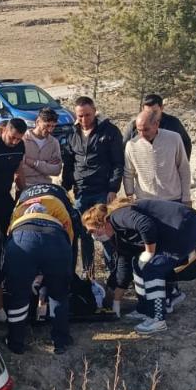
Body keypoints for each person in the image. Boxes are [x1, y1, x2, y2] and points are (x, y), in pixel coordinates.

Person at [82, 199, 196, 334]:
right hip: (177, 231)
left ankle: (157, 319)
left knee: (152, 267)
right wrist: (116, 301)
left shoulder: (117, 216)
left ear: (102, 222)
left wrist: (149, 252)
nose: (94, 236)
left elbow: (145, 225)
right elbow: (125, 267)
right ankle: (144, 309)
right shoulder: (119, 237)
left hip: (187, 226)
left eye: (93, 231)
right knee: (137, 262)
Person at [60, 96, 125, 273]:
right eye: (80, 116)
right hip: (81, 191)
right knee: (84, 233)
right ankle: (88, 273)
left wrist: (113, 189)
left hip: (103, 191)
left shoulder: (110, 131)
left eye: (87, 115)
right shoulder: (71, 133)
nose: (84, 119)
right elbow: (69, 163)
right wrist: (64, 188)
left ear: (95, 111)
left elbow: (118, 163)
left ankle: (114, 273)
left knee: (105, 233)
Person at [3, 203, 74, 354]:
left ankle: (16, 343)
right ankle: (61, 341)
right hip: (56, 239)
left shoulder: (18, 219)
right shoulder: (56, 220)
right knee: (59, 294)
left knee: (18, 295)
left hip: (23, 237)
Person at [124, 111, 192, 204]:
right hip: (144, 200)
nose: (142, 134)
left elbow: (184, 169)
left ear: (156, 124)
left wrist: (186, 198)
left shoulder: (174, 138)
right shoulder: (131, 145)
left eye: (146, 129)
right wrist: (129, 197)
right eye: (139, 130)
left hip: (173, 199)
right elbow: (128, 173)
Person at [123, 94, 192, 159]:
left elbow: (186, 144)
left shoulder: (173, 123)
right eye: (148, 112)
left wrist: (180, 165)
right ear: (142, 109)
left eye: (154, 112)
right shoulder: (134, 126)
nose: (151, 116)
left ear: (161, 108)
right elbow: (123, 148)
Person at [20, 107, 64, 189]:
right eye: (47, 125)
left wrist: (33, 163)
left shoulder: (54, 142)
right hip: (25, 186)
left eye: (53, 126)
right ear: (37, 122)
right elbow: (20, 169)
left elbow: (57, 170)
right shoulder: (22, 140)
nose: (50, 130)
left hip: (46, 187)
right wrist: (46, 165)